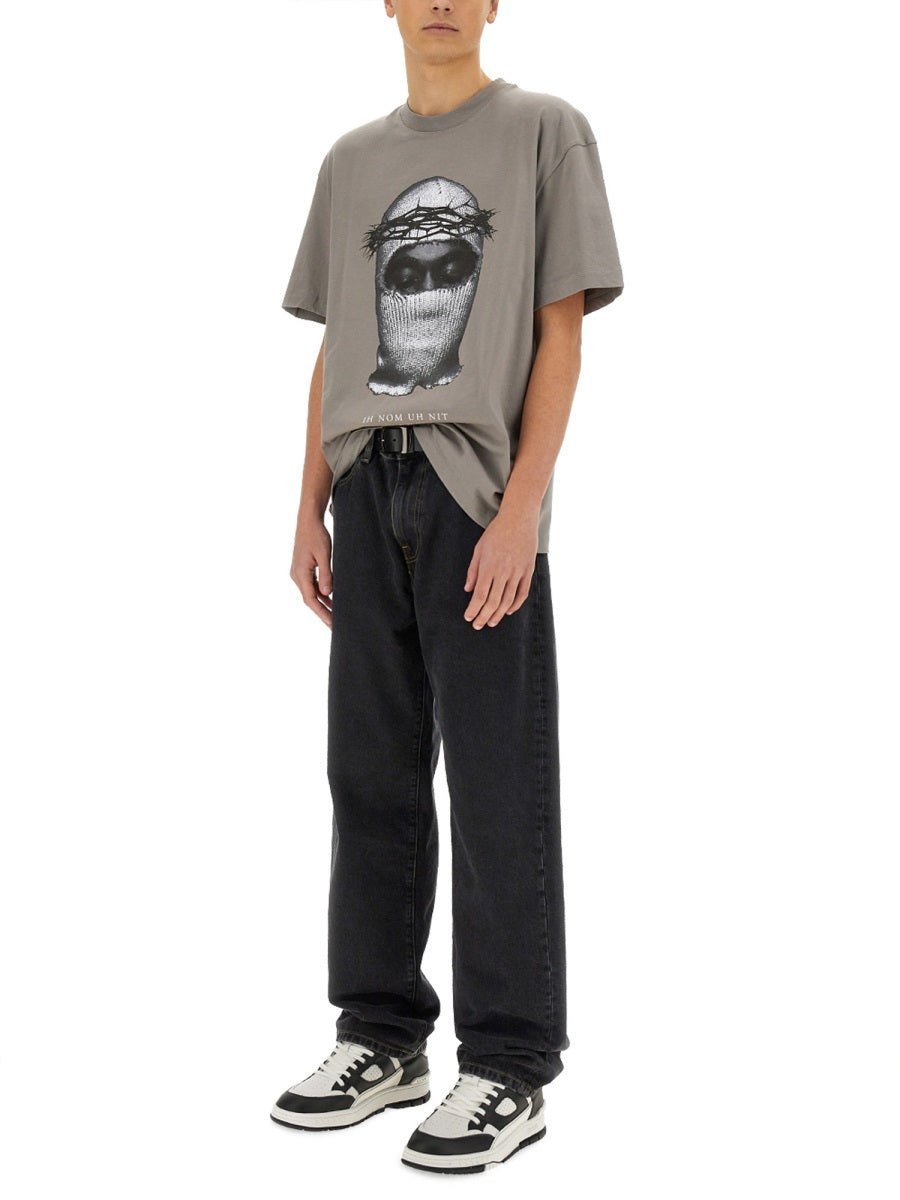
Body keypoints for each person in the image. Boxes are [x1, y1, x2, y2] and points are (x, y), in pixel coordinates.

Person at [270, 0, 623, 1174]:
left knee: (495, 781)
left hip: (475, 498)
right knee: (369, 775)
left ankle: (509, 1063)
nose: (438, 2)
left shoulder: (545, 131)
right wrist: (307, 504)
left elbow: (561, 334)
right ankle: (381, 1037)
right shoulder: (352, 160)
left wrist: (521, 509)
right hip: (364, 487)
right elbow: (337, 343)